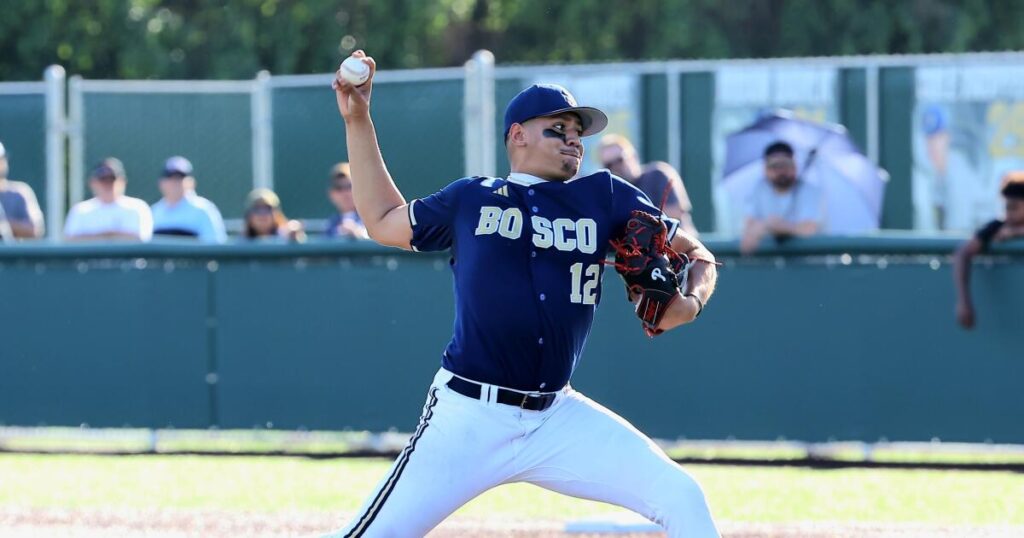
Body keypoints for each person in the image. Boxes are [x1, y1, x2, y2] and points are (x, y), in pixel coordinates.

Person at [327, 51, 720, 537]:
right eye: (559, 129)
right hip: (468, 416)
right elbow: (383, 220)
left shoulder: (605, 196)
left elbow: (698, 253)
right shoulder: (472, 197)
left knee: (681, 496)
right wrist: (358, 119)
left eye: (578, 133)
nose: (574, 140)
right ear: (518, 135)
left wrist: (692, 301)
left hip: (557, 416)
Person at [953, 171, 1024, 329]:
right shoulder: (996, 227)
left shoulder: (1009, 231)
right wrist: (963, 301)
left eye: (1014, 207)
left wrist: (1017, 233)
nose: (1009, 214)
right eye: (1007, 207)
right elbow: (963, 253)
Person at [598, 134, 698, 236]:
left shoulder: (658, 174)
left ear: (634, 156)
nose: (616, 167)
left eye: (620, 160)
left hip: (676, 241)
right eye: (609, 165)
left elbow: (675, 211)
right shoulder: (612, 192)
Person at [739, 141, 824, 254]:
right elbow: (749, 229)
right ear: (765, 169)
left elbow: (809, 229)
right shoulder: (758, 189)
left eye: (785, 165)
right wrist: (770, 226)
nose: (781, 171)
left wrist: (776, 226)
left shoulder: (810, 192)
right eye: (774, 166)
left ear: (794, 167)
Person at [64, 158, 153, 242]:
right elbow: (71, 240)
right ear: (93, 183)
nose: (108, 185)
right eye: (103, 180)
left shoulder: (138, 207)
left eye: (112, 179)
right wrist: (112, 235)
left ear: (123, 181)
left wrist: (96, 236)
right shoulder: (80, 210)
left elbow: (141, 239)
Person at [150, 156, 227, 242]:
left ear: (191, 182)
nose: (175, 183)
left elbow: (214, 243)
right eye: (170, 178)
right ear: (161, 183)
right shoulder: (154, 212)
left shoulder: (203, 210)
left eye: (179, 178)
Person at [0, 141, 45, 241]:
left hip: (12, 251)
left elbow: (35, 230)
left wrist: (6, 225)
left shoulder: (20, 192)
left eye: (1, 159)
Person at [324, 162, 368, 239]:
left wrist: (359, 234)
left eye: (350, 186)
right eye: (338, 188)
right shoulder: (332, 223)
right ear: (331, 194)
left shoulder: (372, 219)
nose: (345, 193)